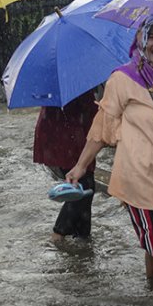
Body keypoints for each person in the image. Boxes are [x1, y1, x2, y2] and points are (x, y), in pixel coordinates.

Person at [65, 13, 153, 297]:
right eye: (151, 37)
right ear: (141, 40)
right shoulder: (123, 78)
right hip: (140, 178)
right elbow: (102, 127)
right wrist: (80, 166)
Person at [33, 90, 98, 241]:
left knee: (85, 188)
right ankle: (58, 234)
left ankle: (82, 237)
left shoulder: (63, 81)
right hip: (68, 139)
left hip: (63, 135)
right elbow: (89, 110)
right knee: (83, 187)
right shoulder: (74, 83)